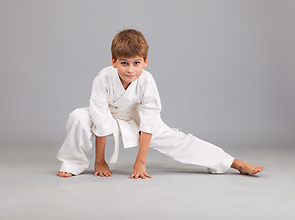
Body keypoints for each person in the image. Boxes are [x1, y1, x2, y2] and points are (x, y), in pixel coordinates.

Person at [56, 29, 264, 179]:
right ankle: (73, 162)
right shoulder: (103, 78)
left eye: (136, 63)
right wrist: (99, 161)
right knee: (78, 116)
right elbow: (100, 120)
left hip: (136, 120)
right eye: (124, 63)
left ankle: (232, 163)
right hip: (109, 116)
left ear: (145, 62)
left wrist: (140, 162)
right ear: (113, 61)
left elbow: (148, 123)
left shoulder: (147, 81)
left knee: (178, 141)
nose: (130, 70)